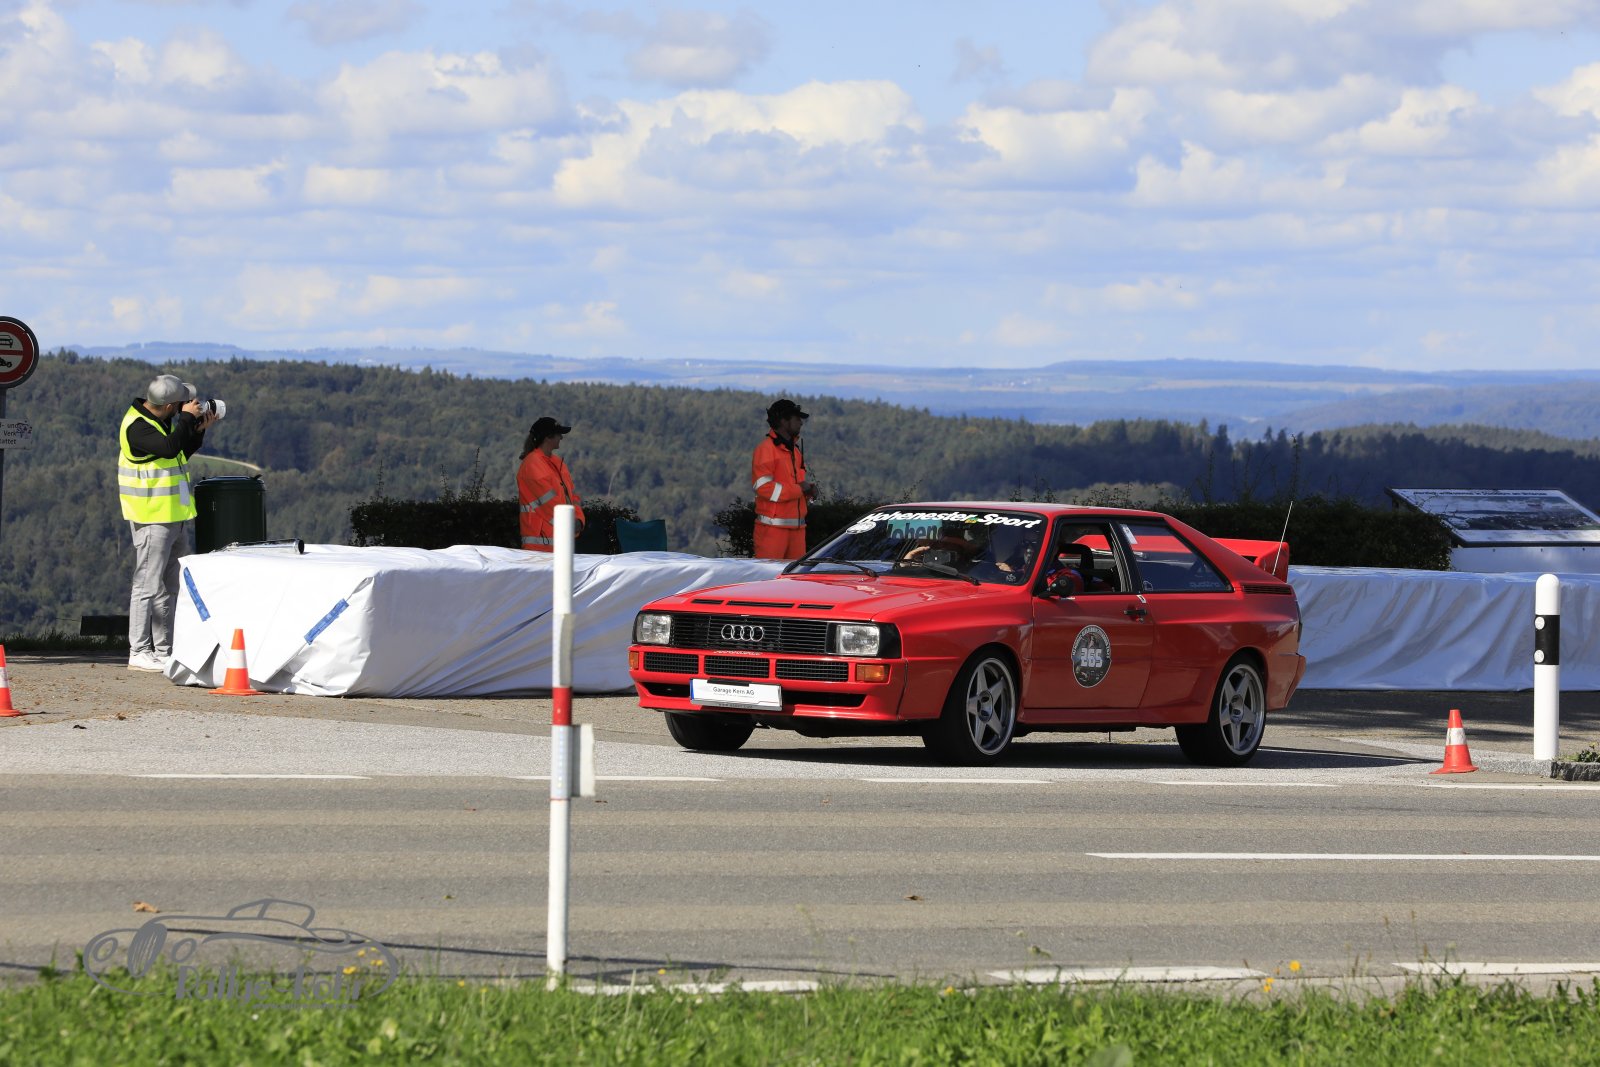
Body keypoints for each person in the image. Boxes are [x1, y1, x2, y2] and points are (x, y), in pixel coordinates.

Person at [119, 373, 215, 672]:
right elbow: (171, 447)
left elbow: (178, 453)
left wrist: (197, 430)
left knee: (168, 586)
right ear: (172, 405)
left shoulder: (160, 422)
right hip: (152, 518)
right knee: (146, 585)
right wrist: (187, 419)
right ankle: (138, 650)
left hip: (173, 516)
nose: (188, 405)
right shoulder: (137, 427)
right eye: (183, 403)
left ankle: (164, 650)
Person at [751, 398, 816, 559]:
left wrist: (808, 491)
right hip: (772, 531)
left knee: (794, 576)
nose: (801, 422)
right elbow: (764, 488)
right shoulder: (765, 449)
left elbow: (794, 484)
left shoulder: (795, 451)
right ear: (783, 421)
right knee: (770, 575)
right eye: (797, 418)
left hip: (797, 530)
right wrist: (800, 489)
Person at [517, 416, 584, 552]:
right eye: (559, 434)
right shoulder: (532, 465)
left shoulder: (558, 463)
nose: (561, 438)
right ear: (548, 437)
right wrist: (573, 524)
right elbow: (548, 505)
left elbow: (572, 497)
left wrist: (579, 519)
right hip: (539, 549)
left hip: (559, 544)